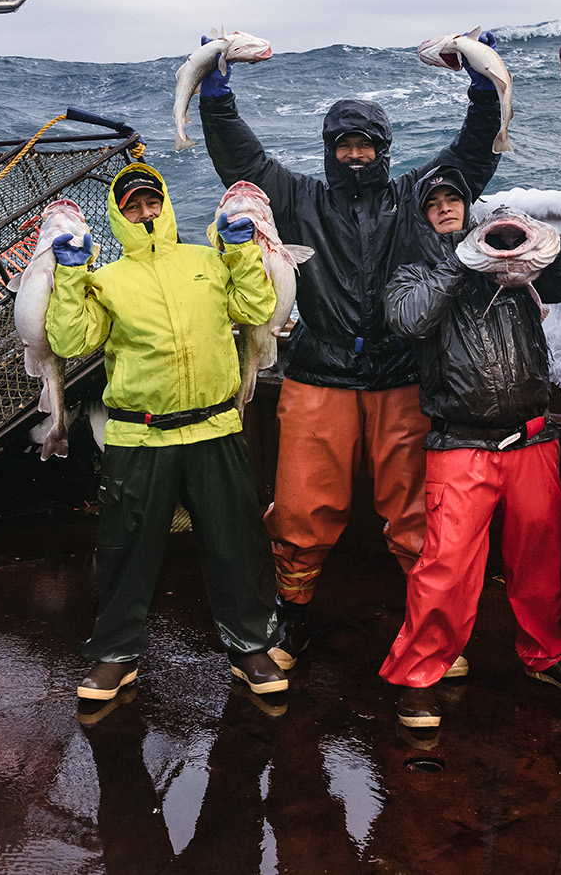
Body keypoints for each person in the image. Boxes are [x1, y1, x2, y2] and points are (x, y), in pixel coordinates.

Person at [197, 35, 505, 668]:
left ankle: (430, 626)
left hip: (401, 376)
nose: (356, 155)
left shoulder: (413, 197)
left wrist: (484, 88)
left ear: (384, 151)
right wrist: (215, 97)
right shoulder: (300, 198)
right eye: (345, 145)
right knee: (304, 509)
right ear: (330, 151)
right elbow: (241, 163)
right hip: (320, 376)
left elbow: (470, 161)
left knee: (414, 513)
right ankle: (293, 615)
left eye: (366, 145)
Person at [377, 166, 561, 728]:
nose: (444, 207)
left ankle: (548, 653)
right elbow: (408, 321)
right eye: (432, 202)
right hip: (461, 443)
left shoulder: (514, 263)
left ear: (468, 205)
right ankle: (419, 673)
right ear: (421, 214)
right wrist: (461, 262)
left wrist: (539, 241)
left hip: (534, 438)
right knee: (446, 567)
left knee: (542, 558)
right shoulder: (413, 273)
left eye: (453, 199)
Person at [45, 163, 287, 702]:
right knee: (126, 550)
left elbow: (257, 309)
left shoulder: (208, 262)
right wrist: (69, 273)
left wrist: (243, 250)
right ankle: (115, 655)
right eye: (132, 206)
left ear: (167, 205)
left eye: (152, 202)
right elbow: (70, 341)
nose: (145, 212)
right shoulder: (107, 279)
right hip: (139, 437)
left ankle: (250, 646)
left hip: (215, 427)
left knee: (236, 545)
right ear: (118, 216)